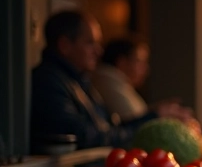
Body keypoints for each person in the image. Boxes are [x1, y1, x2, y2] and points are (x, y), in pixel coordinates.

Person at [30, 10, 188, 153]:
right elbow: (88, 138)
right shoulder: (48, 83)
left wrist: (155, 115)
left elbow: (110, 127)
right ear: (65, 45)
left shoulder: (78, 81)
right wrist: (152, 119)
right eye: (90, 43)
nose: (98, 51)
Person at [91, 38, 150, 122]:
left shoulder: (121, 85)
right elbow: (135, 121)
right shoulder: (108, 82)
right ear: (122, 63)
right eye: (139, 62)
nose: (145, 69)